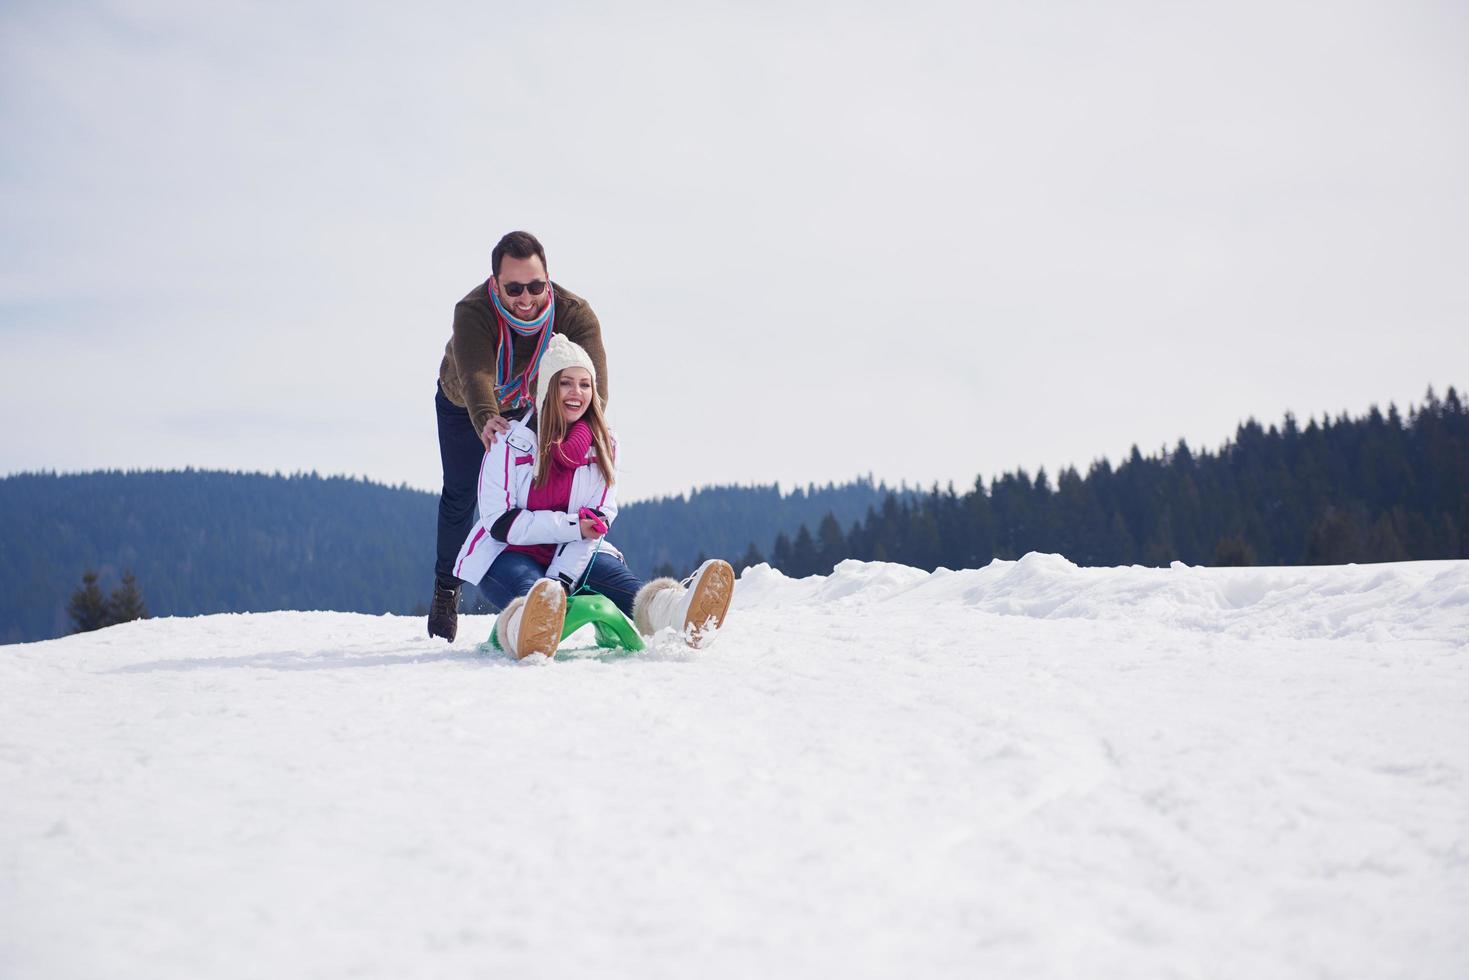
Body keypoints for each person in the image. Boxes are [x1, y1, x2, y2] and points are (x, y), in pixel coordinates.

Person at [451, 334, 735, 659]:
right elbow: (501, 523)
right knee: (535, 595)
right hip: (507, 552)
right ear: (546, 388)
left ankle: (675, 613)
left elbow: (598, 519)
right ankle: (525, 632)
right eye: (566, 383)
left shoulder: (603, 443)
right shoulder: (508, 442)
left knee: (624, 585)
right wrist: (573, 528)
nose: (577, 393)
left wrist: (562, 574)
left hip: (578, 549)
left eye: (585, 385)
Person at [430, 231, 609, 641]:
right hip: (465, 405)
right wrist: (486, 419)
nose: (525, 298)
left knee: (540, 486)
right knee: (461, 494)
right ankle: (446, 586)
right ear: (495, 284)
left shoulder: (574, 313)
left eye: (535, 286)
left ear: (548, 279)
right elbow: (476, 373)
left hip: (534, 405)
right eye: (513, 288)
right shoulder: (473, 309)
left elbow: (595, 386)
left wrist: (587, 436)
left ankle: (546, 574)